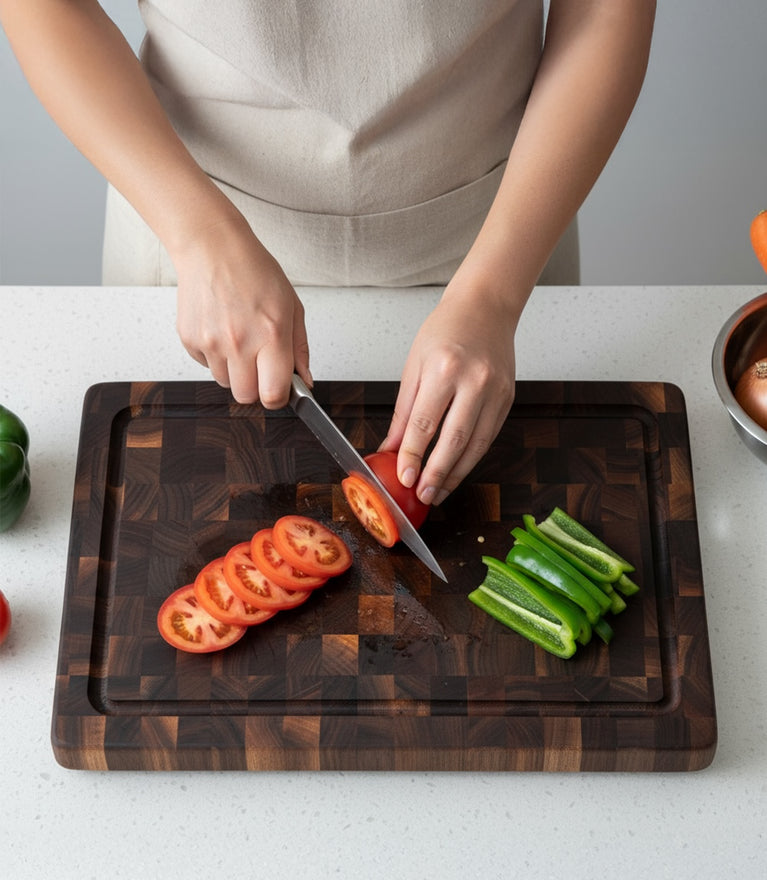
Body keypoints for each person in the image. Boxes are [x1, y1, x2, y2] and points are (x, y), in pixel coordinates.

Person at [0, 0, 656, 507]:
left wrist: (492, 296)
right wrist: (199, 236)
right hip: (188, 240)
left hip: (500, 240)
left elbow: (605, 9)